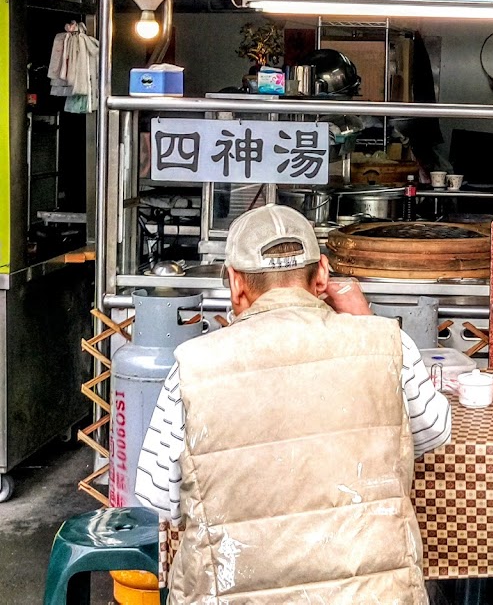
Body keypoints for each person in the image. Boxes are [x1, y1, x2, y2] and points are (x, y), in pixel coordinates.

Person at [135, 204, 451, 604]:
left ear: (234, 283)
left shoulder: (192, 367)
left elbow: (158, 499)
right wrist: (366, 320)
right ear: (322, 274)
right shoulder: (389, 344)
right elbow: (432, 430)